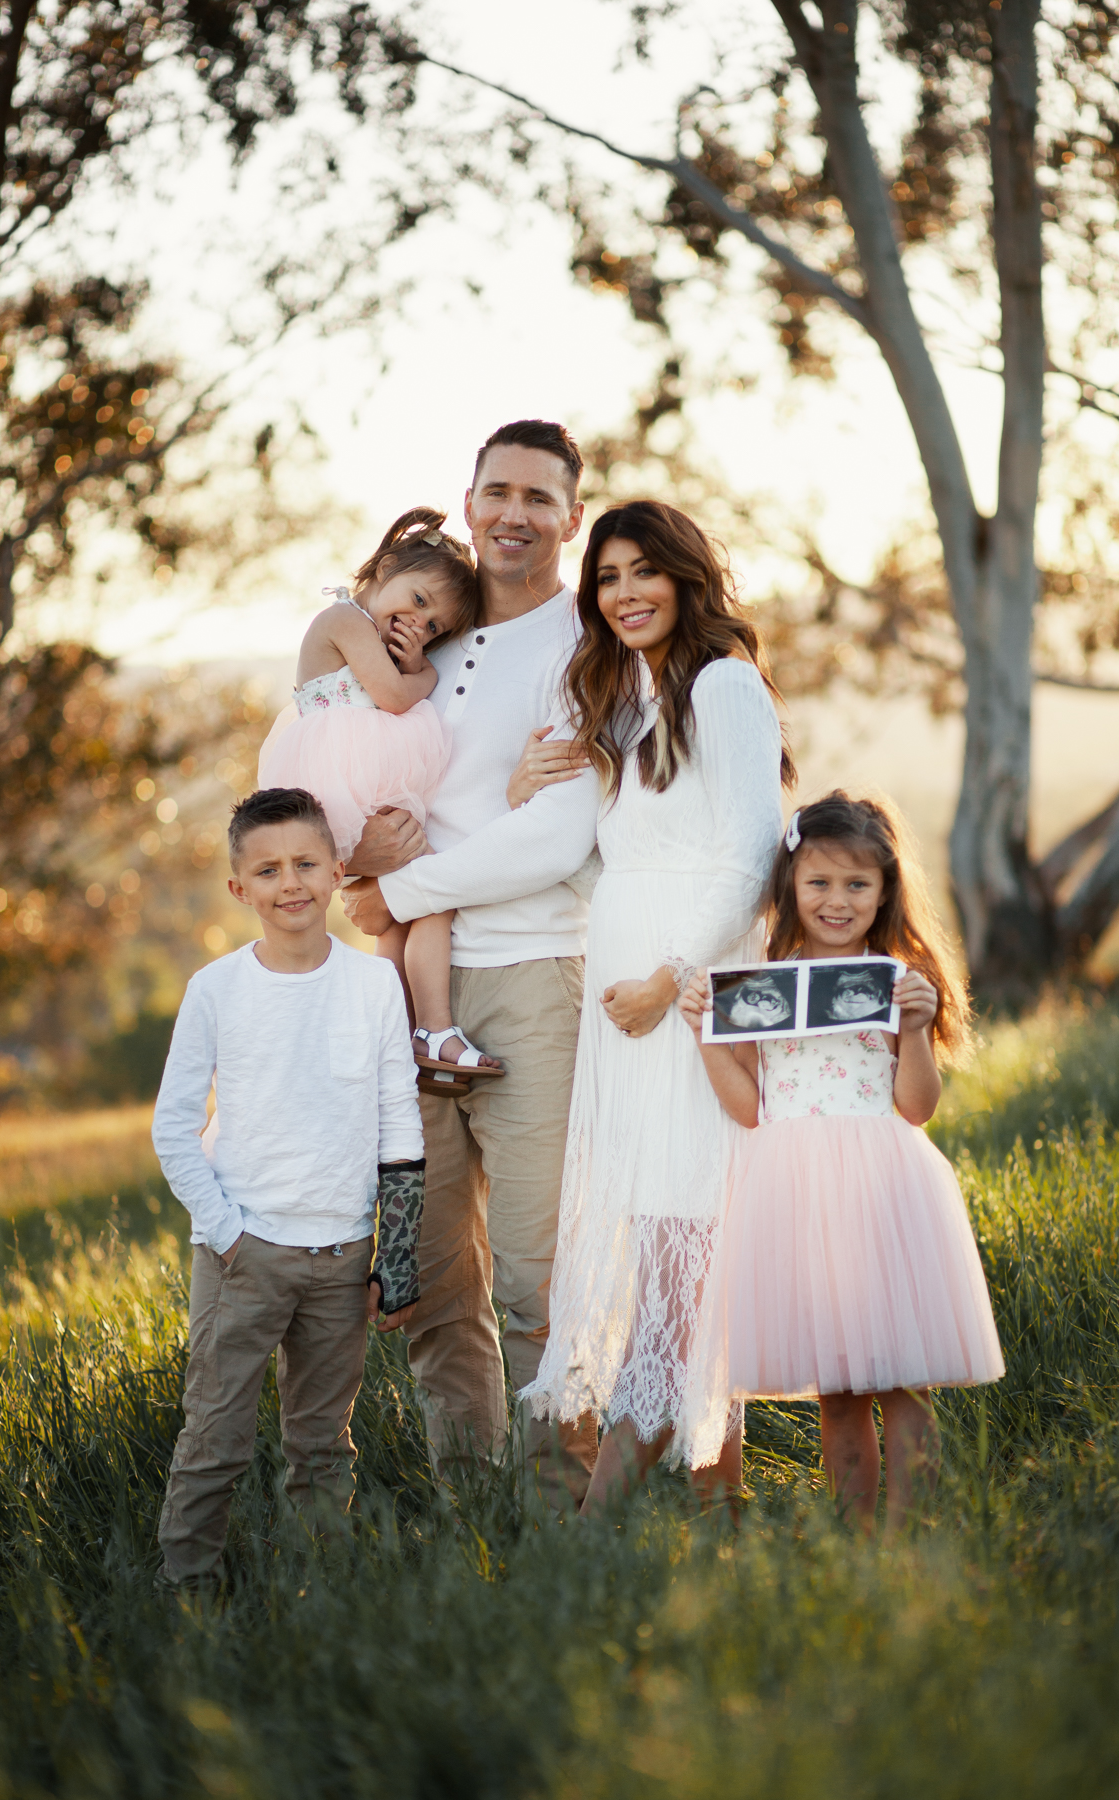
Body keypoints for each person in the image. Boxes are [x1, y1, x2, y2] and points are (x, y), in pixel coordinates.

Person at [340, 420, 603, 1509]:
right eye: (497, 490)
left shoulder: (592, 643)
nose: (514, 513)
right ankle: (472, 1510)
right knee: (439, 1279)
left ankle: (562, 1516)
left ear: (570, 518)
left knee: (543, 1271)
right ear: (469, 497)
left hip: (536, 979)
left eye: (540, 498)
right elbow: (345, 794)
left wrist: (390, 892)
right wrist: (361, 868)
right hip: (402, 994)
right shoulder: (421, 643)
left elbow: (558, 837)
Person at [520, 500, 791, 1511]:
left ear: (685, 579)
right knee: (667, 1235)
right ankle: (722, 1505)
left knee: (685, 1244)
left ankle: (589, 1533)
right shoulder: (625, 700)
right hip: (629, 999)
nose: (624, 593)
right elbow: (611, 865)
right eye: (607, 577)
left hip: (691, 997)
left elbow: (755, 851)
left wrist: (673, 979)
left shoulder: (724, 687)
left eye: (644, 572)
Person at [679, 792, 1005, 1534]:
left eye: (857, 884)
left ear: (886, 889)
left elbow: (917, 1106)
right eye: (819, 882)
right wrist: (706, 1033)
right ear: (791, 885)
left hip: (883, 1183)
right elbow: (751, 1108)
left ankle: (906, 1536)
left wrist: (916, 1029)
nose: (837, 900)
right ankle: (856, 1540)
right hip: (793, 1189)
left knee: (903, 1381)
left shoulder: (896, 978)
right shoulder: (763, 979)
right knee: (840, 1388)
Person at [151, 787, 427, 1589]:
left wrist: (396, 1255)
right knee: (216, 1433)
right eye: (267, 870)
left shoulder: (374, 987)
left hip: (342, 1254)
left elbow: (398, 1121)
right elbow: (173, 1127)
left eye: (306, 864)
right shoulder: (217, 989)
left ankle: (321, 1590)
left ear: (338, 872)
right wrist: (229, 1233)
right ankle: (185, 1588)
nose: (290, 883)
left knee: (321, 1441)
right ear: (240, 889)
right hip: (244, 1254)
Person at [257, 509, 498, 1074]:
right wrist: (426, 672)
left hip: (361, 781)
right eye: (417, 600)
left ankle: (393, 1033)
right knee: (432, 893)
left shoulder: (374, 633)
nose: (419, 624)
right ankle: (433, 1030)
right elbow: (392, 696)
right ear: (385, 569)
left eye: (434, 627)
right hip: (341, 782)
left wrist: (413, 660)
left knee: (398, 913)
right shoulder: (343, 618)